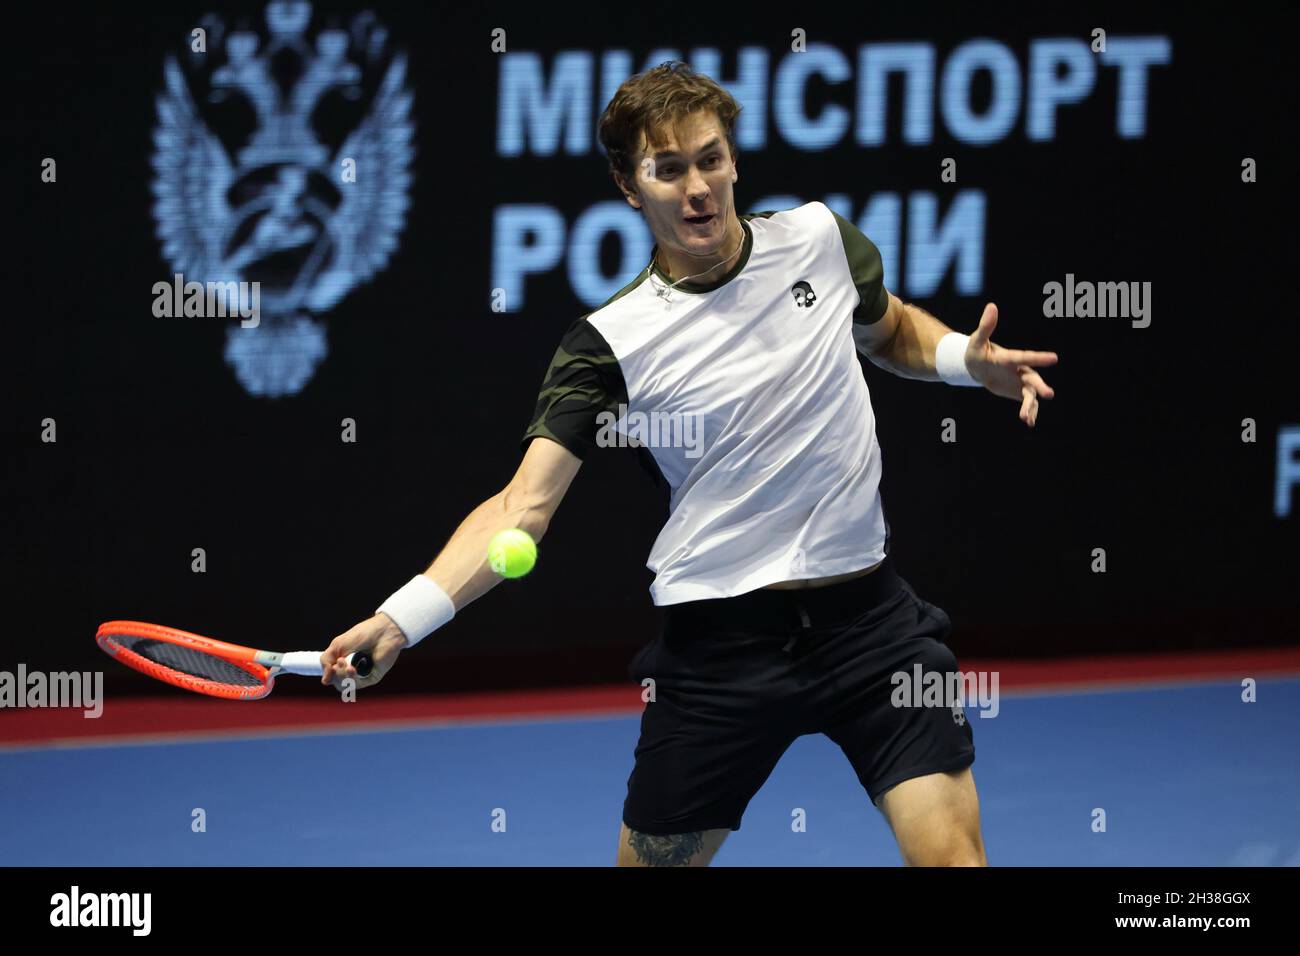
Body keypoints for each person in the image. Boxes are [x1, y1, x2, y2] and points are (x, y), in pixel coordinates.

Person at [321, 61, 1057, 867]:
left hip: (872, 629)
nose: (698, 187)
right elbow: (519, 510)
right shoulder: (608, 344)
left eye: (710, 159)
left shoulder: (818, 239)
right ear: (629, 187)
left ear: (734, 159)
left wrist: (960, 359)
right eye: (668, 170)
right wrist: (402, 617)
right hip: (721, 650)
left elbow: (886, 332)